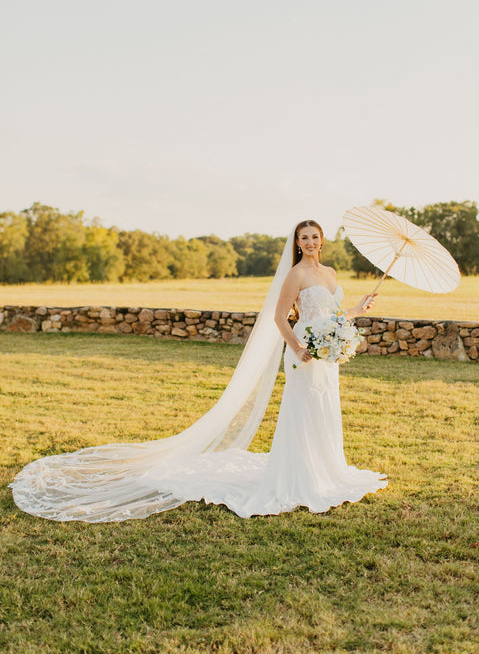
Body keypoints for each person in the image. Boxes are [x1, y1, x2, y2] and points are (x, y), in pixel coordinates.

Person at [9, 220, 387, 522]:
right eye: (303, 237)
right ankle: (299, 477)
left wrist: (356, 309)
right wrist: (299, 348)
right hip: (304, 352)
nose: (309, 242)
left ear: (322, 241)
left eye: (314, 237)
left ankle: (327, 471)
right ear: (297, 242)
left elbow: (334, 315)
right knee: (302, 413)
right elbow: (279, 316)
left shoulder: (332, 273)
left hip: (327, 355)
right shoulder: (295, 275)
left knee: (323, 411)